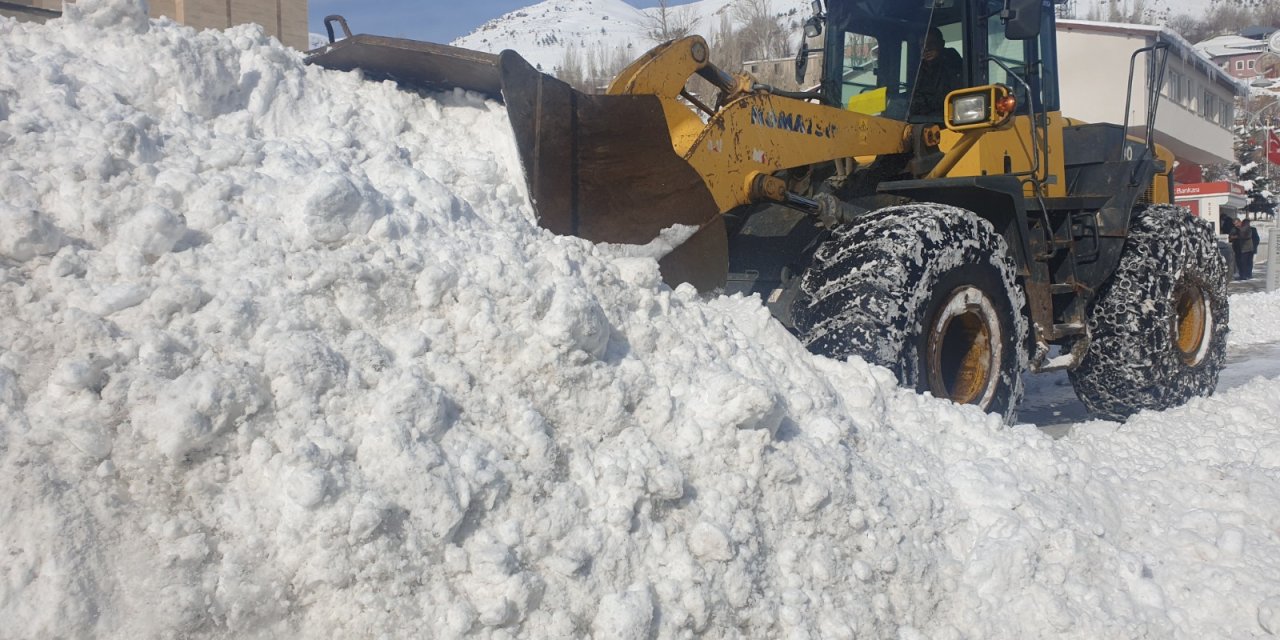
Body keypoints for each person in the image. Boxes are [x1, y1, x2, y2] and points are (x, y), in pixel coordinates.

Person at [909, 26, 964, 119]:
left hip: (949, 118)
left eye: (931, 44)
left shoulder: (952, 65)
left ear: (942, 44)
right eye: (922, 45)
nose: (926, 49)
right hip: (923, 119)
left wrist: (923, 103)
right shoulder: (920, 70)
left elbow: (948, 96)